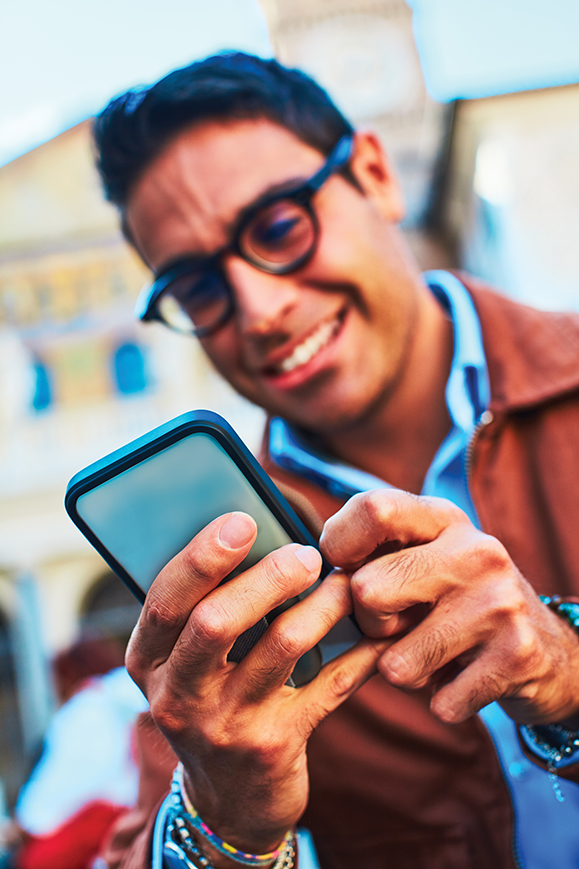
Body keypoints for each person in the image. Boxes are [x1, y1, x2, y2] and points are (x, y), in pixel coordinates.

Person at [92, 53, 579, 869]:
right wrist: (222, 819)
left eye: (279, 226)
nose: (260, 309)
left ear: (373, 173)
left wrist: (566, 669)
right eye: (198, 288)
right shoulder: (215, 568)